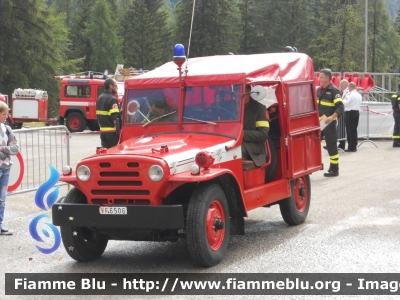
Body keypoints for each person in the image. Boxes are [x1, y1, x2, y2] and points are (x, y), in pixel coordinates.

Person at [317, 69, 344, 177]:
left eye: (321, 77)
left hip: (329, 123)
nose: (319, 79)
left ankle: (334, 169)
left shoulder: (334, 91)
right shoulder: (318, 90)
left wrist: (332, 117)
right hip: (318, 123)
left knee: (331, 146)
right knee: (313, 144)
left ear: (328, 78)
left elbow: (340, 107)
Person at [0, 102, 19, 235]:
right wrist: (7, 149)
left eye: (7, 114)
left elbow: (16, 148)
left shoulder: (8, 129)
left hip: (6, 168)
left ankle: (0, 226)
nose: (7, 116)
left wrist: (3, 148)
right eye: (4, 114)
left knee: (2, 199)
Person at [242, 85, 270, 168]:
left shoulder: (260, 109)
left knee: (232, 153)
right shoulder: (231, 107)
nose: (238, 97)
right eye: (236, 93)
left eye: (242, 94)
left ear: (249, 93)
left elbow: (262, 134)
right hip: (228, 142)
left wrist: (241, 134)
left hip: (252, 149)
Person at [96, 78, 120, 148]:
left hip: (103, 132)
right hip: (112, 132)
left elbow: (98, 116)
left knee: (105, 153)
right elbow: (114, 117)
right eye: (116, 86)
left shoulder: (99, 98)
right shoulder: (112, 99)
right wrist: (118, 132)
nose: (117, 88)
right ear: (111, 86)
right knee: (115, 153)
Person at [342, 82, 362, 152]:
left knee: (349, 130)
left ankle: (351, 146)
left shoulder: (351, 95)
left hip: (350, 112)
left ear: (350, 87)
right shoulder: (358, 95)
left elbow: (346, 103)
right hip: (356, 112)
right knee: (354, 129)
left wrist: (341, 100)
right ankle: (354, 145)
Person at [338, 79, 350, 150]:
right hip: (342, 111)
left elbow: (346, 101)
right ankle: (341, 143)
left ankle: (342, 144)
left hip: (344, 111)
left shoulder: (348, 92)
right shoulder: (343, 92)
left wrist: (340, 101)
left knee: (342, 128)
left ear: (345, 84)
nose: (340, 86)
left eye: (341, 84)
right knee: (340, 128)